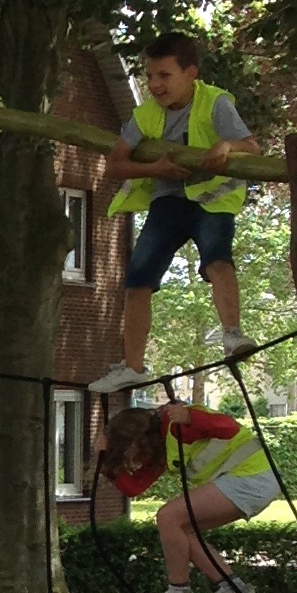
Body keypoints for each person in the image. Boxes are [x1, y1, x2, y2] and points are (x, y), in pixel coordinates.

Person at [88, 33, 262, 394]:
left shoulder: (215, 103)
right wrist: (157, 169)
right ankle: (133, 366)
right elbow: (115, 164)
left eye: (164, 76)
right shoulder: (145, 114)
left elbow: (252, 148)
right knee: (137, 278)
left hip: (211, 197)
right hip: (168, 199)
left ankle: (232, 334)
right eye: (150, 76)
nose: (154, 85)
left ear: (190, 74)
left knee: (217, 259)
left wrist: (227, 145)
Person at [92, 401, 280, 593]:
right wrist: (104, 461)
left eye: (130, 451)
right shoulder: (164, 446)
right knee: (182, 527)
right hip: (251, 480)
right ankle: (232, 588)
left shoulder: (178, 423)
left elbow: (228, 427)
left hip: (251, 476)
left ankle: (179, 592)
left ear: (140, 439)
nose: (133, 459)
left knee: (168, 517)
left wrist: (190, 419)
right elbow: (134, 487)